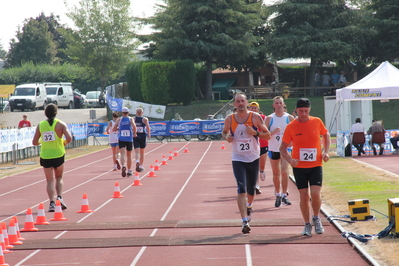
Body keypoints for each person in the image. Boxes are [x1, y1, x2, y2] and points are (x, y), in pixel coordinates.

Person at [279, 98, 330, 236]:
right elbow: (282, 148)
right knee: (304, 196)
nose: (303, 114)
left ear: (310, 110)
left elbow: (326, 135)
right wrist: (290, 160)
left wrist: (326, 152)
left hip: (315, 164)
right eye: (300, 111)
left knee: (315, 194)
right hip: (299, 166)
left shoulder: (317, 121)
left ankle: (316, 218)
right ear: (296, 110)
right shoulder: (291, 126)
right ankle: (307, 224)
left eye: (306, 111)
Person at [222, 93, 271, 234]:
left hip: (253, 157)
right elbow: (224, 133)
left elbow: (267, 135)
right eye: (238, 101)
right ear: (234, 104)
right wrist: (227, 137)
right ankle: (244, 221)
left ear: (247, 103)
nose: (240, 103)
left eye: (242, 101)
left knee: (251, 190)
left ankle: (249, 205)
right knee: (241, 188)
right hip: (238, 158)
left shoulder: (254, 117)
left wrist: (255, 133)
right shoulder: (230, 119)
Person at [32, 104, 72, 212]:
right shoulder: (61, 124)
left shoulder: (41, 125)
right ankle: (59, 197)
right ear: (56, 112)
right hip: (58, 154)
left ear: (45, 113)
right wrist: (63, 142)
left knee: (49, 180)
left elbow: (34, 142)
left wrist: (42, 142)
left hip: (46, 156)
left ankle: (52, 203)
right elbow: (69, 138)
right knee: (59, 177)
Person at [265, 96, 295, 207]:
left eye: (280, 103)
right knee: (276, 173)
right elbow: (265, 135)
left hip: (285, 148)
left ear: (283, 104)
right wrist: (273, 132)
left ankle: (284, 195)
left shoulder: (289, 118)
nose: (278, 105)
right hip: (273, 148)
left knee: (284, 170)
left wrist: (292, 142)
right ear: (274, 105)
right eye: (276, 103)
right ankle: (277, 193)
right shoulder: (269, 118)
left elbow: (296, 132)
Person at [248, 102, 268, 194]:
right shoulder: (246, 118)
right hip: (252, 145)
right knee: (254, 166)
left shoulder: (264, 118)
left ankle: (262, 171)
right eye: (251, 108)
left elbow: (268, 131)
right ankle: (256, 185)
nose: (253, 109)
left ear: (258, 110)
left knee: (261, 166)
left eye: (255, 108)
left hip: (263, 144)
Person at [113, 107, 137, 177]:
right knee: (129, 155)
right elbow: (134, 126)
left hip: (121, 139)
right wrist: (135, 133)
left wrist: (119, 128)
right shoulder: (130, 119)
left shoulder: (119, 119)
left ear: (122, 113)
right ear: (128, 113)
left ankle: (123, 165)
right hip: (129, 139)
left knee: (122, 154)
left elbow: (114, 129)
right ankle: (129, 170)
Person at [134, 108, 151, 172]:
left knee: (136, 151)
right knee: (142, 152)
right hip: (143, 136)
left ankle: (137, 161)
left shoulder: (133, 119)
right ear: (142, 113)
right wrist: (149, 134)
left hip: (135, 136)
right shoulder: (145, 119)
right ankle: (141, 165)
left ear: (136, 113)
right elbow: (147, 127)